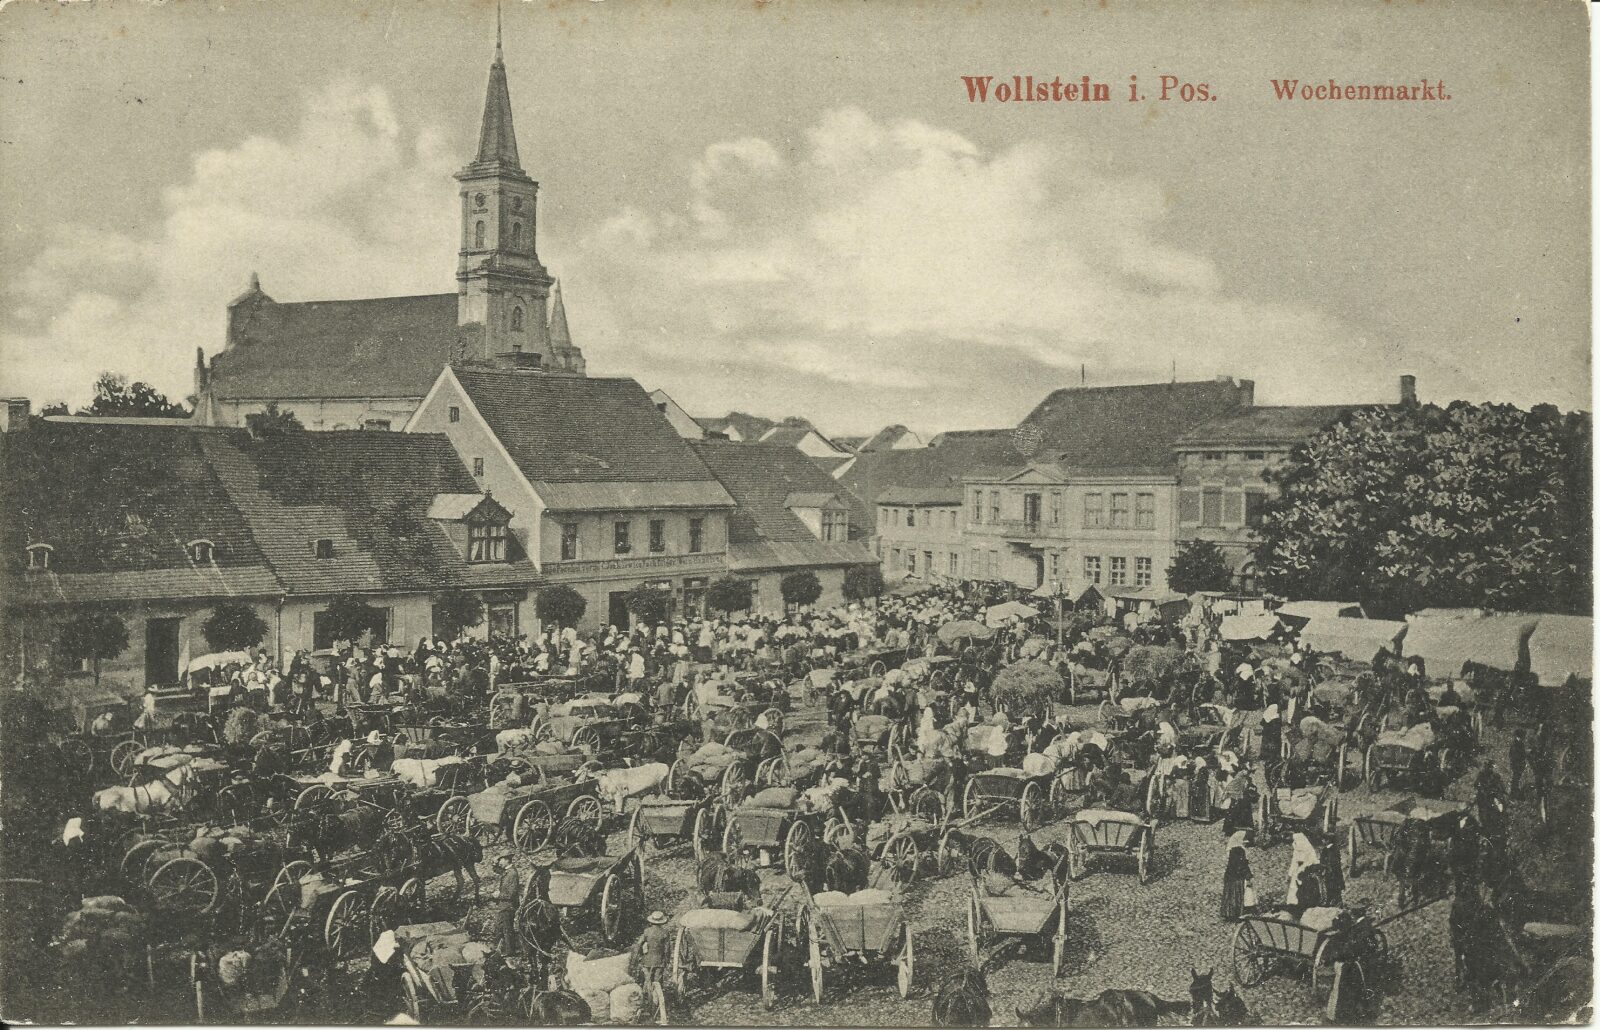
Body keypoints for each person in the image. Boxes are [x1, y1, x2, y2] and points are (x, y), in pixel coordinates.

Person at [629, 911, 672, 988]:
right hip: (659, 960)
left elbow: (639, 944)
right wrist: (667, 960)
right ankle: (657, 994)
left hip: (647, 959)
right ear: (662, 922)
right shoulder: (665, 932)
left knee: (648, 978)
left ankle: (647, 994)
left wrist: (639, 955)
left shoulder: (647, 931)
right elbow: (667, 948)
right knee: (658, 980)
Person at [1220, 830, 1253, 921]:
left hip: (1230, 875)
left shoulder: (1232, 850)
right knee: (1237, 894)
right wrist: (1248, 875)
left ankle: (1228, 913)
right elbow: (1241, 865)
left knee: (1229, 894)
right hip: (1237, 877)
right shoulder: (1239, 850)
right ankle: (1236, 914)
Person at [1285, 831, 1317, 907]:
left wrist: (1299, 867)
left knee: (1301, 884)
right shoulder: (1295, 845)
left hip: (1305, 866)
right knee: (1294, 885)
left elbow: (1302, 859)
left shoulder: (1301, 841)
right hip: (1299, 867)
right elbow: (1294, 860)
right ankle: (1293, 903)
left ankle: (1302, 902)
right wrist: (1290, 874)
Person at [1509, 729, 1527, 797]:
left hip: (1517, 764)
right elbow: (1516, 755)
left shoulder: (1517, 743)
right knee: (1516, 778)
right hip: (1517, 764)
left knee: (1516, 778)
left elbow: (1511, 754)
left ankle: (1514, 791)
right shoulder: (1517, 744)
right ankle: (1514, 792)